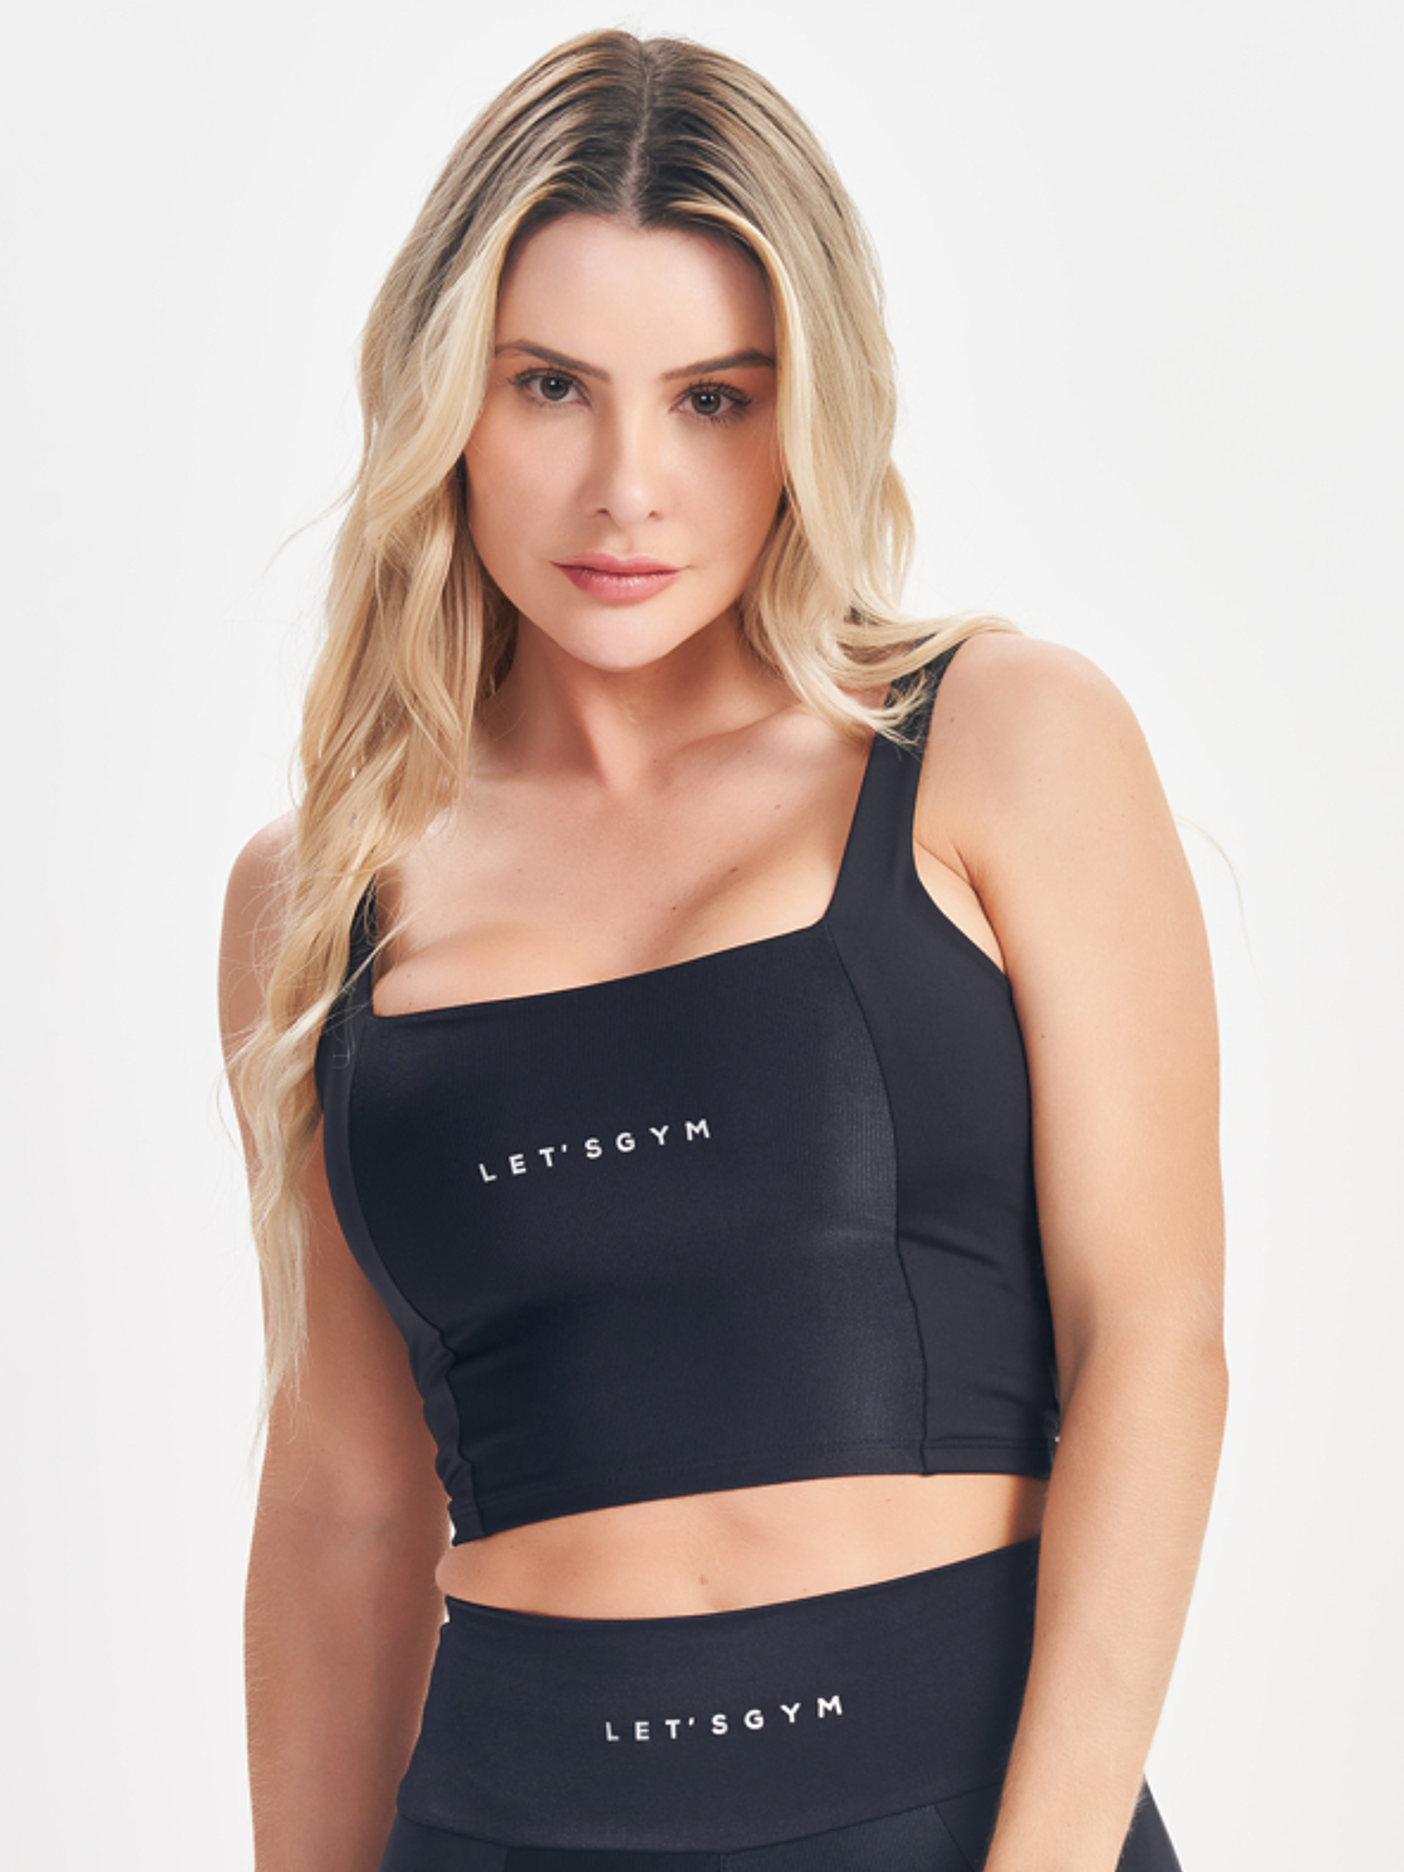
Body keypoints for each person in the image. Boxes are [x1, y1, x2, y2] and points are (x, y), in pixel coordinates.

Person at [220, 28, 1226, 1872]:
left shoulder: (998, 742)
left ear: (809, 412)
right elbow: (346, 1503)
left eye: (712, 397)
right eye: (549, 386)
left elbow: (1154, 1345)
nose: (628, 487)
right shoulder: (318, 896)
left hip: (951, 1824)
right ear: (444, 399)